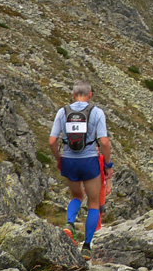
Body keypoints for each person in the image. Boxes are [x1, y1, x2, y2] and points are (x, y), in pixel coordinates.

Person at [48, 79, 113, 260]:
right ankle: (87, 247)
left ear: (73, 94)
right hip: (89, 161)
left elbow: (52, 141)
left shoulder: (62, 112)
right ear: (90, 95)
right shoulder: (96, 112)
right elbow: (104, 142)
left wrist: (59, 159)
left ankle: (69, 224)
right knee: (93, 203)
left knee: (77, 196)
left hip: (69, 160)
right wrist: (108, 165)